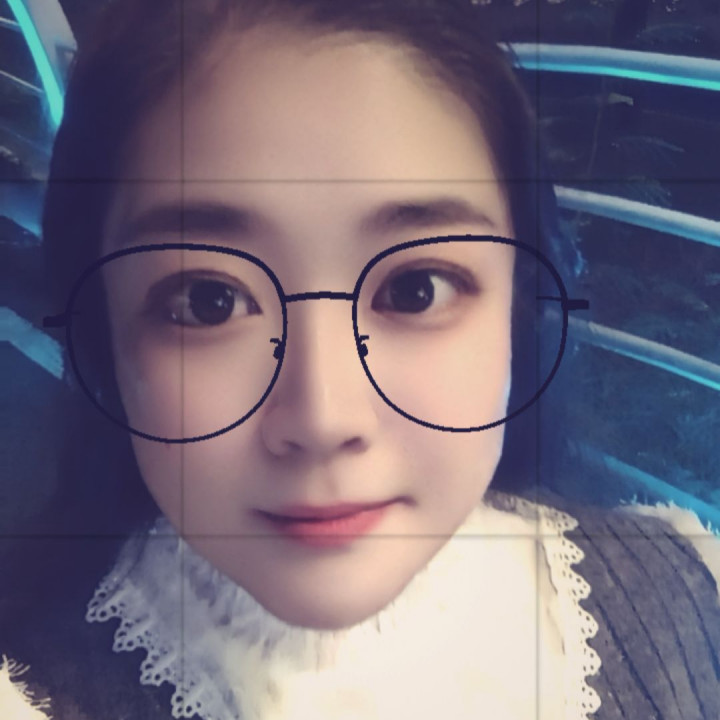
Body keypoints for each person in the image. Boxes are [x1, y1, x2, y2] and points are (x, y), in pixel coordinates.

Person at [2, 0, 719, 718]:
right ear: (106, 336)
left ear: (517, 302)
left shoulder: (685, 591)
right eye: (210, 301)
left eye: (415, 290)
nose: (324, 419)